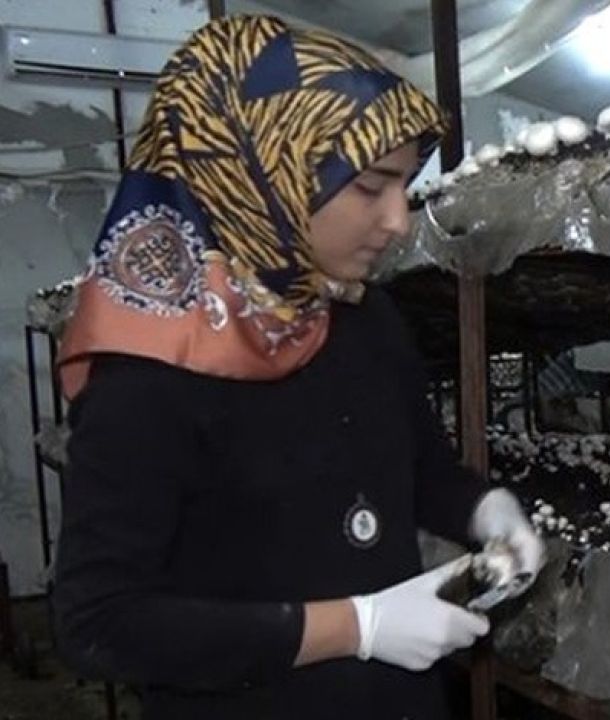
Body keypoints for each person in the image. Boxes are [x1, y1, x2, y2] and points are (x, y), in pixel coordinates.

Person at [50, 15, 544, 719]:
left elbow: (423, 473)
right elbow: (100, 623)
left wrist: (485, 509)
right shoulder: (151, 370)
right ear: (265, 172)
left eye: (405, 185)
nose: (399, 220)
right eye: (370, 187)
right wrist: (357, 628)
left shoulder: (363, 319)